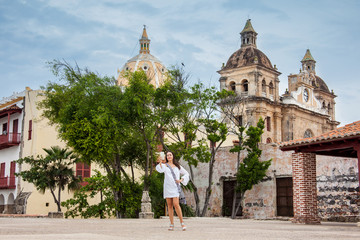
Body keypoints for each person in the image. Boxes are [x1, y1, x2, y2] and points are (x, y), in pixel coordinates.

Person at [156, 151, 190, 231]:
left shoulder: (178, 166)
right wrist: (160, 162)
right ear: (166, 157)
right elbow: (160, 169)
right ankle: (171, 224)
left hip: (175, 188)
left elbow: (186, 174)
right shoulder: (165, 166)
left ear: (173, 156)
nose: (169, 156)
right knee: (169, 206)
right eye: (167, 155)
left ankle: (182, 223)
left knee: (176, 204)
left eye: (170, 155)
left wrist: (181, 180)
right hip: (168, 187)